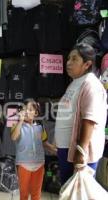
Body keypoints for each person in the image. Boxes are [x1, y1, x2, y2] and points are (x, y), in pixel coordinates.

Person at [54, 43, 107, 185]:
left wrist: (81, 150)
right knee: (68, 189)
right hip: (66, 149)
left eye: (74, 59)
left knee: (80, 192)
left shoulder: (91, 85)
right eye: (68, 58)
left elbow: (90, 119)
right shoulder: (75, 82)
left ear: (87, 64)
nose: (68, 62)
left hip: (78, 152)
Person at [11, 98, 57, 200]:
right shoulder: (16, 125)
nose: (27, 112)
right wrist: (20, 121)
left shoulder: (40, 127)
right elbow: (14, 137)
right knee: (24, 194)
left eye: (30, 109)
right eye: (24, 109)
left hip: (39, 164)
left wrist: (54, 150)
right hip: (23, 164)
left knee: (36, 194)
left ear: (35, 113)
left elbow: (44, 143)